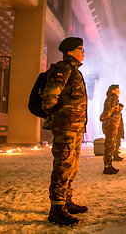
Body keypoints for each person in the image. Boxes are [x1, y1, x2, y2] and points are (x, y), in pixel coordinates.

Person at [41, 37, 88, 226]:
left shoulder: (75, 70)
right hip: (66, 127)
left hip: (75, 127)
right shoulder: (64, 68)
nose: (83, 52)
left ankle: (66, 201)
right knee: (63, 165)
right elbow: (49, 98)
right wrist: (60, 115)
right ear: (69, 51)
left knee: (71, 166)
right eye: (80, 49)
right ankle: (57, 208)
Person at [100, 84, 121, 174]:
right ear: (113, 91)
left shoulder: (110, 98)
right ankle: (107, 167)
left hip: (111, 125)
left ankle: (109, 165)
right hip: (111, 126)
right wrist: (104, 118)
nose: (118, 92)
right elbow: (109, 111)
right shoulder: (113, 98)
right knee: (109, 146)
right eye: (117, 90)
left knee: (110, 145)